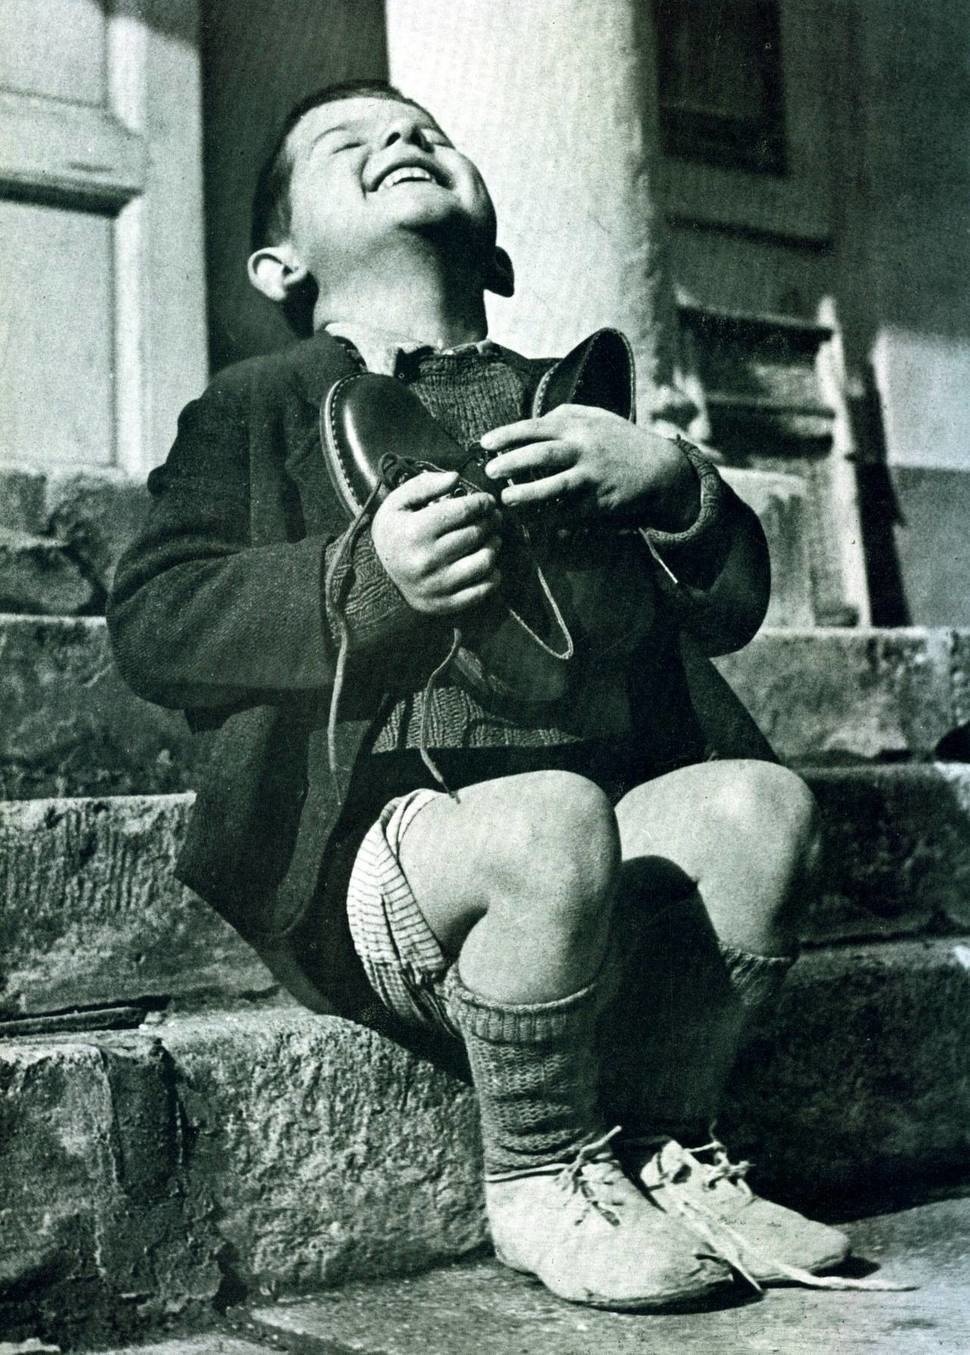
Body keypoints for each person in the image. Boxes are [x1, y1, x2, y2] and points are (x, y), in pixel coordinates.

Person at [108, 79, 850, 1312]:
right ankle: (542, 1166)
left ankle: (672, 1141)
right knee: (549, 814)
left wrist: (670, 479)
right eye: (350, 146)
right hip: (390, 861)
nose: (401, 141)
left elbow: (724, 609)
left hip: (586, 858)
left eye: (428, 136)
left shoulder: (575, 400)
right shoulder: (258, 404)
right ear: (278, 262)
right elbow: (155, 618)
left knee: (760, 806)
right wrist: (358, 579)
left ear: (497, 244)